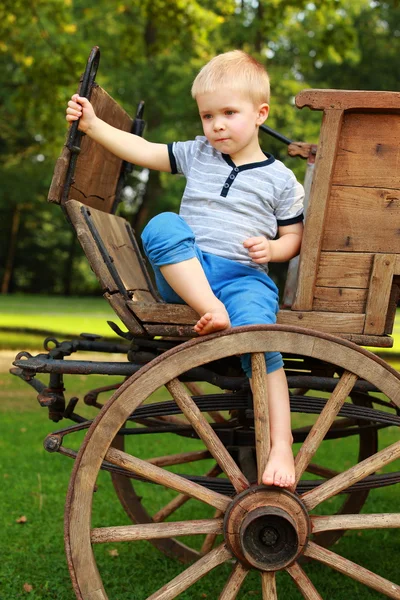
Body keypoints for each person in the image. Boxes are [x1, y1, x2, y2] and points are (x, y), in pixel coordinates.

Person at [66, 50, 304, 489]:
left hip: (244, 279)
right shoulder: (197, 155)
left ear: (260, 114)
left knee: (264, 345)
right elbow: (142, 150)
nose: (216, 125)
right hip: (188, 276)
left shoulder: (281, 180)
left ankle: (282, 445)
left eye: (229, 113)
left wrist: (273, 249)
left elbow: (295, 237)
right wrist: (93, 125)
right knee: (162, 225)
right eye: (207, 115)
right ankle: (209, 309)